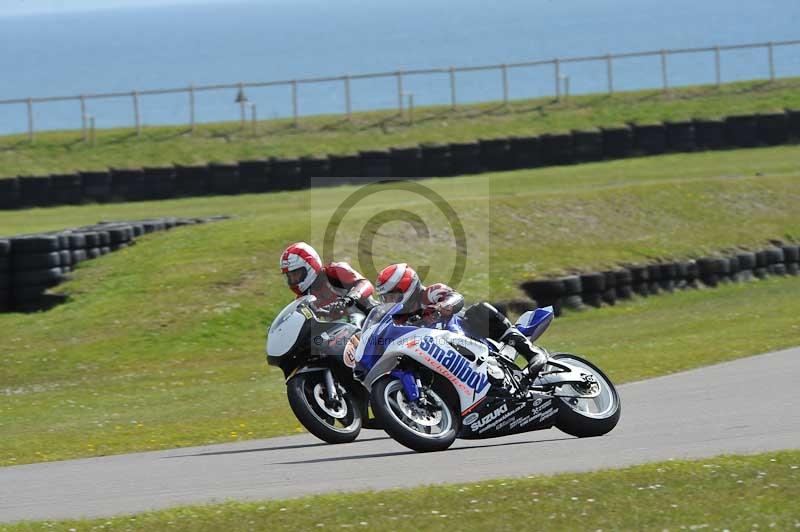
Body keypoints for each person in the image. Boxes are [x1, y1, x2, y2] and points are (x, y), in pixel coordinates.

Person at [374, 263, 546, 377]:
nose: (390, 302)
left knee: (478, 309)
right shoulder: (398, 320)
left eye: (392, 296)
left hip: (468, 338)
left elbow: (456, 297)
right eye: (386, 298)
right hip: (438, 358)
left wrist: (443, 306)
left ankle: (532, 353)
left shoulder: (430, 293)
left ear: (407, 287)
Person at [279, 242, 376, 319]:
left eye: (295, 274)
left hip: (371, 319)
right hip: (343, 332)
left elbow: (366, 284)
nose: (293, 280)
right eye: (289, 276)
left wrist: (350, 297)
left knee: (357, 318)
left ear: (310, 265)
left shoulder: (335, 271)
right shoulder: (303, 300)